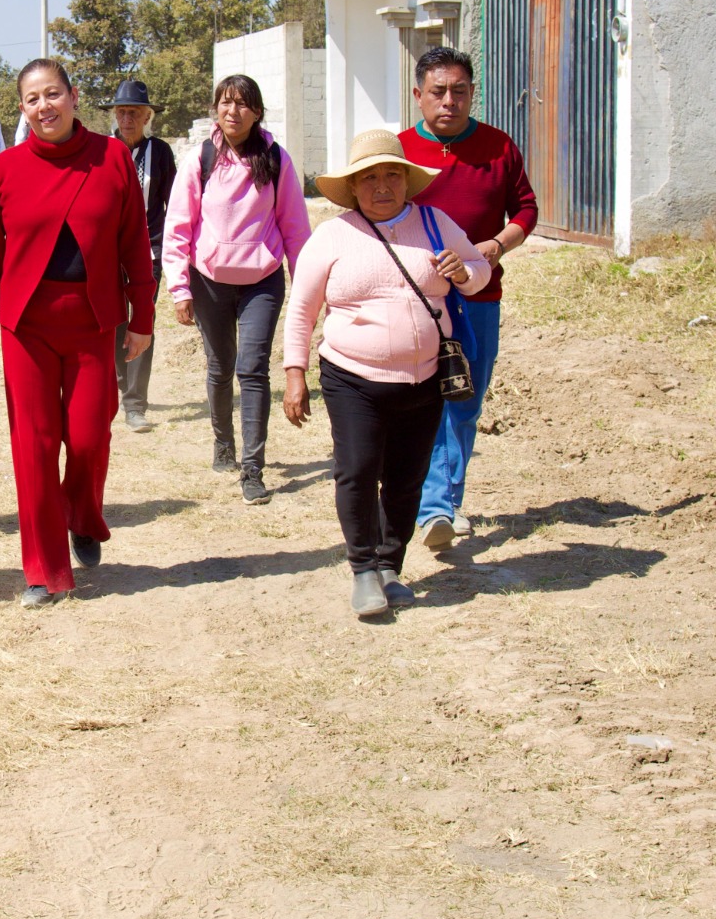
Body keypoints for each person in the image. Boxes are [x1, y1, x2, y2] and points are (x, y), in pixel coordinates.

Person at [0, 59, 155, 607]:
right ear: (22, 109)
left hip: (94, 320)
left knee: (90, 437)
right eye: (32, 99)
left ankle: (81, 512)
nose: (44, 106)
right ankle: (43, 568)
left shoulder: (112, 157)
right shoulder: (4, 169)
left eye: (53, 94)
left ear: (73, 97)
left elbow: (133, 243)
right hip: (27, 324)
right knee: (35, 445)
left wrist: (142, 317)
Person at [282, 129, 490, 618]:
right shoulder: (333, 235)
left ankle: (390, 566)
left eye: (392, 175)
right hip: (352, 378)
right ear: (353, 187)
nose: (381, 186)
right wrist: (295, 372)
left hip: (425, 380)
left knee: (406, 479)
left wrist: (463, 272)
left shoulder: (436, 224)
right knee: (357, 472)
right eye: (369, 178)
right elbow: (302, 310)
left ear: (406, 180)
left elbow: (479, 272)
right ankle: (362, 570)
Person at [400, 45, 538, 549]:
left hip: (479, 296)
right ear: (418, 95)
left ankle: (448, 499)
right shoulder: (398, 152)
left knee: (466, 398)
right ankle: (433, 505)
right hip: (417, 299)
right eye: (438, 91)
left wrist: (497, 246)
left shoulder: (499, 147)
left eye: (459, 91)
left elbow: (526, 209)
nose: (449, 101)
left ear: (472, 93)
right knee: (424, 400)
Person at [161, 74, 312, 503]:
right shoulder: (201, 159)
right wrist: (180, 289)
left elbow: (295, 228)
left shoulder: (276, 159)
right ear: (216, 109)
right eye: (225, 103)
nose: (233, 111)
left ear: (257, 112)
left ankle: (252, 467)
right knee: (220, 366)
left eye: (243, 103)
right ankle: (223, 442)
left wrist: (307, 285)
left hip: (261, 282)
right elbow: (178, 227)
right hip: (208, 281)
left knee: (253, 368)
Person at [102, 80, 177, 433]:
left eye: (134, 113)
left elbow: (174, 203)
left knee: (141, 320)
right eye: (122, 112)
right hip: (106, 253)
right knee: (113, 319)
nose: (127, 119)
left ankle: (135, 404)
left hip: (149, 252)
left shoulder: (160, 152)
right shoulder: (103, 150)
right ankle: (119, 381)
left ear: (147, 117)